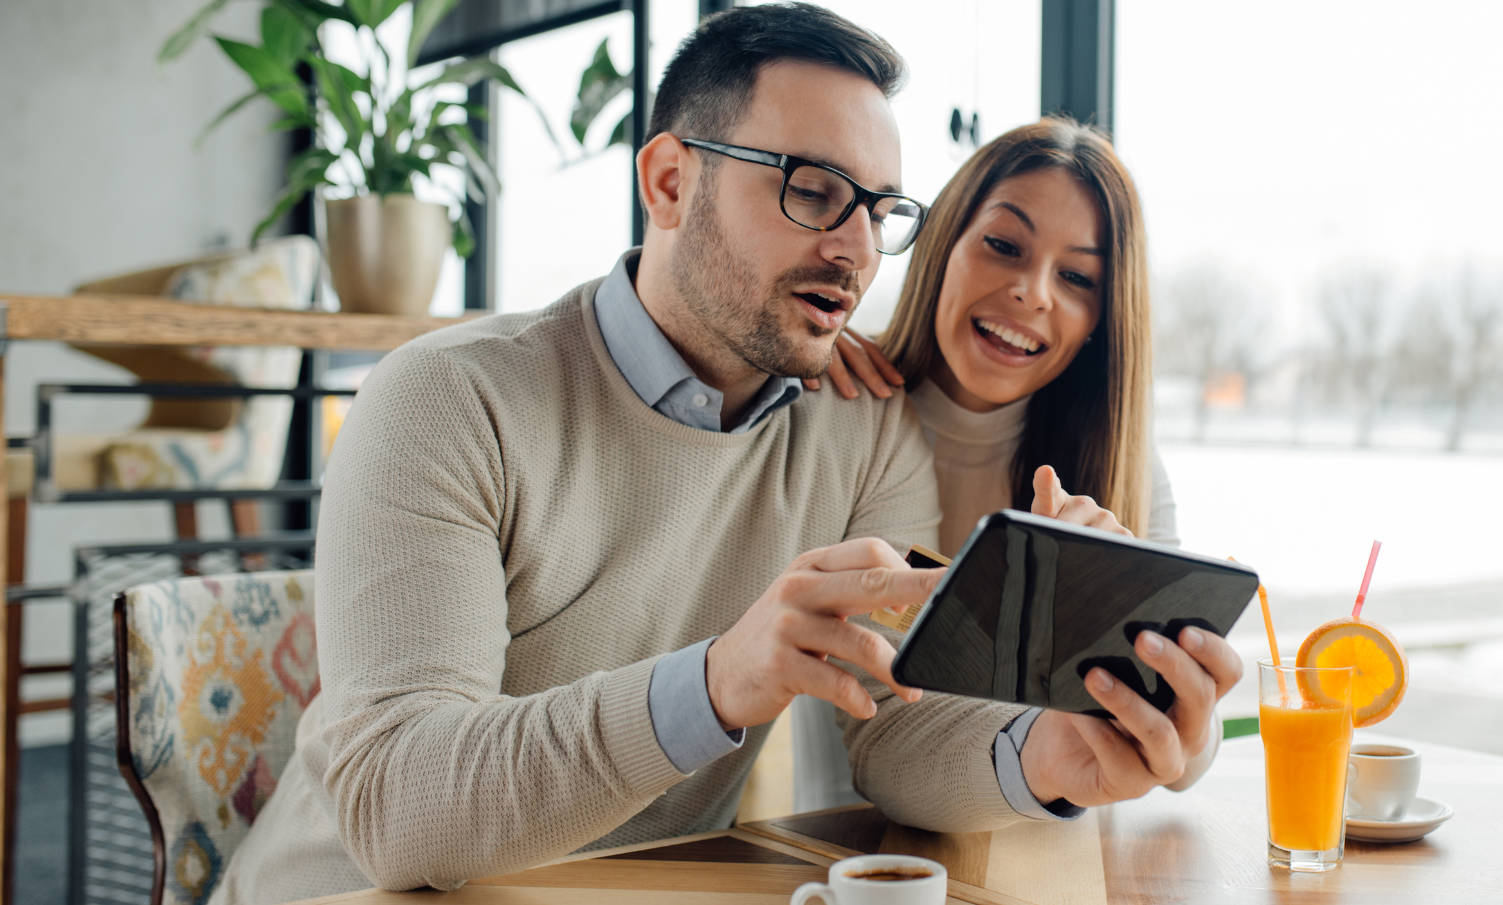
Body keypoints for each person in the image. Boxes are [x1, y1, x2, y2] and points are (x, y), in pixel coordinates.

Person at [219, 6, 1241, 902]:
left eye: (878, 211)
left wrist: (1047, 754)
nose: (853, 248)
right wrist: (714, 682)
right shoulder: (449, 397)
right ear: (668, 180)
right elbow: (403, 814)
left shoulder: (863, 427)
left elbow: (892, 730)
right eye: (810, 189)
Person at [792, 120, 1225, 811]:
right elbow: (886, 722)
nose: (1033, 293)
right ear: (942, 245)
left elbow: (1187, 759)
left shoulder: (1121, 463)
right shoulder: (839, 413)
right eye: (1003, 245)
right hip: (852, 853)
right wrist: (803, 351)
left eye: (1078, 276)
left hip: (1059, 859)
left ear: (1099, 321)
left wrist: (1185, 717)